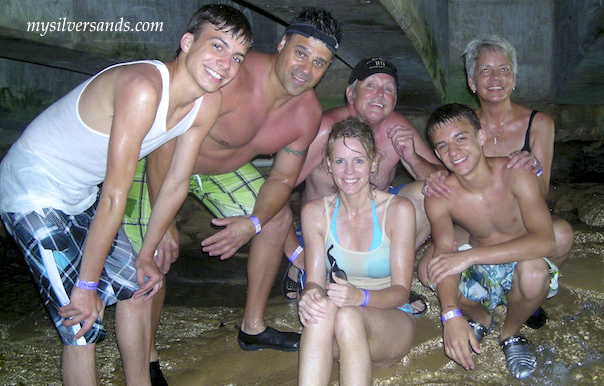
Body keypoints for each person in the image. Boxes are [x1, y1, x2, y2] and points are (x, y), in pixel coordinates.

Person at [0, 5, 252, 385]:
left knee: (137, 289)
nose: (225, 63)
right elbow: (116, 195)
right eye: (217, 46)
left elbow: (175, 182)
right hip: (34, 190)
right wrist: (85, 288)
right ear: (187, 42)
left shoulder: (208, 101)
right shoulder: (143, 89)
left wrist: (147, 254)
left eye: (236, 57)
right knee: (81, 321)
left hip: (81, 192)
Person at [122, 7, 342, 356]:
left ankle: (252, 328)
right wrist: (162, 226)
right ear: (283, 43)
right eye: (301, 52)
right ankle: (147, 355)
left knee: (277, 218)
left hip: (218, 171)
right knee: (152, 254)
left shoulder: (307, 113)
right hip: (157, 162)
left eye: (319, 63)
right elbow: (166, 141)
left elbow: (284, 177)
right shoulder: (231, 76)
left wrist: (253, 222)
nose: (306, 69)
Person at [421, 35, 573, 329]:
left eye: (503, 70)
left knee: (561, 235)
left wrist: (534, 170)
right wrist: (435, 174)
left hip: (519, 217)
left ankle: (525, 297)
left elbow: (539, 194)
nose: (495, 78)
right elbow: (451, 165)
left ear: (514, 78)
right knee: (429, 270)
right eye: (485, 70)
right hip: (474, 225)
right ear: (471, 81)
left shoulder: (539, 123)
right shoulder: (461, 124)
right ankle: (480, 305)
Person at [280, 57, 443, 311]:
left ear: (395, 100)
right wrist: (294, 251)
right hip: (326, 234)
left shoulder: (396, 128)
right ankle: (305, 271)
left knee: (429, 195)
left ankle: (392, 282)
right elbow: (277, 187)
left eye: (388, 89)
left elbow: (444, 183)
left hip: (375, 230)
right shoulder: (325, 131)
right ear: (350, 93)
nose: (380, 94)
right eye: (370, 86)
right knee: (324, 304)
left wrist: (412, 158)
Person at [420, 103, 559, 379]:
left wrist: (470, 256)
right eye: (443, 146)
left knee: (534, 271)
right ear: (437, 154)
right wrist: (449, 315)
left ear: (480, 137)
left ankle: (510, 332)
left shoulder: (516, 172)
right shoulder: (439, 194)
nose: (454, 152)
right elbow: (445, 252)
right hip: (484, 269)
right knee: (431, 271)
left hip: (521, 260)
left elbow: (545, 242)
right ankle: (481, 316)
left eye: (461, 138)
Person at [297, 117, 416, 386]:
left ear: (374, 163)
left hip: (389, 323)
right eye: (340, 161)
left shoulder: (398, 211)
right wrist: (309, 296)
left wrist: (359, 296)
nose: (349, 171)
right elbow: (315, 281)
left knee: (349, 315)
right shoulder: (315, 213)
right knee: (320, 308)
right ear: (328, 164)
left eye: (358, 160)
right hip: (337, 324)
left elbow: (401, 291)